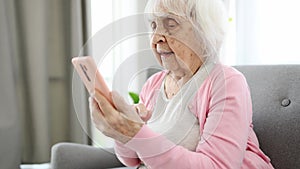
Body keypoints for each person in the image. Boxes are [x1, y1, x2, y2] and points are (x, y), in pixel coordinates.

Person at [89, 0, 274, 168]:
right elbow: (132, 160)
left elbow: (218, 166)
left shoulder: (226, 82)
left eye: (171, 24)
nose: (156, 38)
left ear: (204, 31)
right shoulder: (153, 84)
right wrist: (122, 132)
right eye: (153, 26)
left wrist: (137, 133)